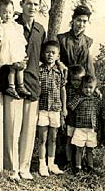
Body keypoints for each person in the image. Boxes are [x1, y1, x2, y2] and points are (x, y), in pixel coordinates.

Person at [0, 0, 46, 181]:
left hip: (32, 82)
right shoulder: (10, 24)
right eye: (29, 3)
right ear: (21, 4)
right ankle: (11, 168)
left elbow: (44, 55)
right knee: (12, 127)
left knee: (28, 129)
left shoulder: (40, 29)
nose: (32, 7)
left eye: (36, 4)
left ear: (39, 6)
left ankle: (24, 167)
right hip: (11, 83)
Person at [0, 0, 31, 99]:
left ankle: (21, 86)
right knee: (12, 68)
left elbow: (20, 40)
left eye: (9, 12)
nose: (7, 15)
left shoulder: (16, 26)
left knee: (20, 67)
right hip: (7, 51)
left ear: (13, 12)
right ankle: (11, 86)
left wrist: (24, 53)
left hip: (16, 50)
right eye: (4, 13)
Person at [37, 40, 67, 176]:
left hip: (55, 108)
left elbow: (62, 90)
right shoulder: (39, 70)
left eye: (53, 53)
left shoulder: (60, 71)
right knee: (42, 138)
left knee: (53, 138)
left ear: (58, 55)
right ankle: (42, 164)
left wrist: (64, 108)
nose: (50, 55)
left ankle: (51, 163)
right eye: (48, 52)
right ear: (43, 54)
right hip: (42, 108)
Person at [68, 75, 100, 173]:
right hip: (80, 128)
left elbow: (99, 112)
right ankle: (78, 167)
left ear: (94, 88)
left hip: (91, 128)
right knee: (79, 148)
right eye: (85, 87)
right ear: (82, 87)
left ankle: (90, 167)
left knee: (90, 149)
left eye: (90, 87)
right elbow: (70, 106)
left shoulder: (96, 99)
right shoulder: (78, 97)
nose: (88, 90)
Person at [57, 5, 95, 75]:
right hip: (63, 77)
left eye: (84, 21)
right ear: (73, 20)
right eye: (79, 20)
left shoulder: (88, 42)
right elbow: (55, 59)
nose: (81, 24)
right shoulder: (61, 39)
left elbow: (89, 66)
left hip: (80, 80)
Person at [65, 65, 86, 169]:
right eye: (74, 80)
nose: (76, 83)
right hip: (71, 119)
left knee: (80, 143)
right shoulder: (68, 89)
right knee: (69, 140)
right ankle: (69, 161)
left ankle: (80, 161)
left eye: (79, 80)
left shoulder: (85, 90)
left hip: (82, 121)